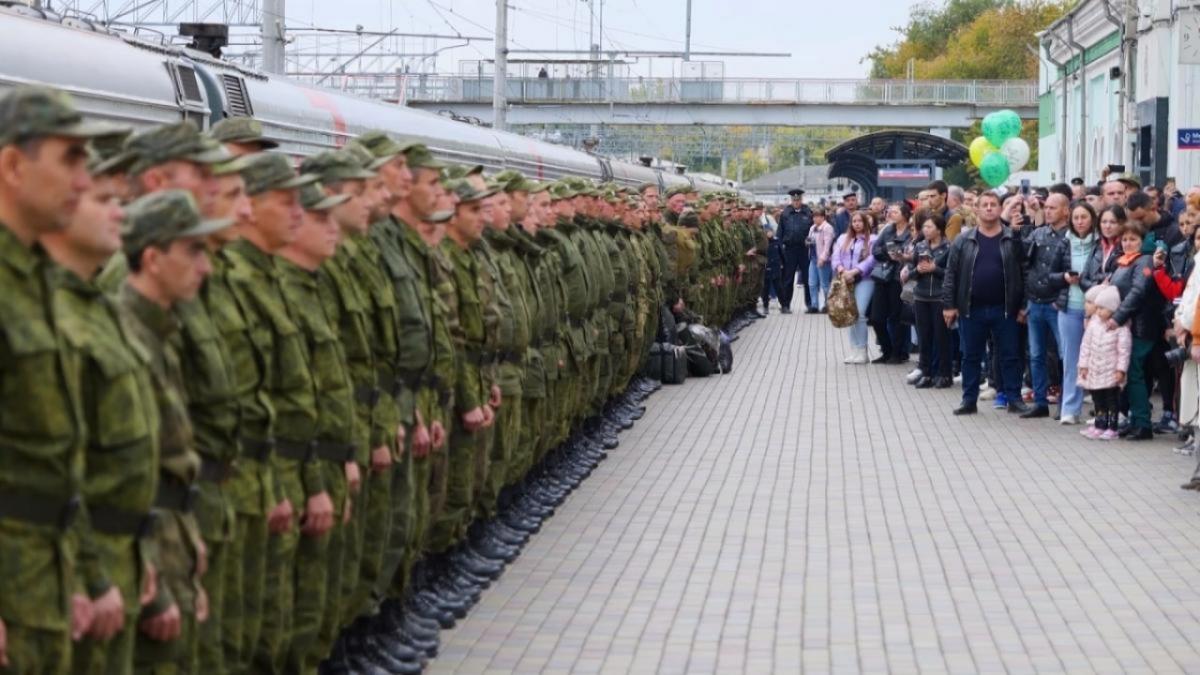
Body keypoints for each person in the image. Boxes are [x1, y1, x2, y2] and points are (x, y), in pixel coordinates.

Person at [0, 85, 118, 674]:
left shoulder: (37, 278)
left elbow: (51, 458)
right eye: (70, 159)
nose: (83, 179)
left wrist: (78, 573)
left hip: (42, 575)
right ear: (13, 167)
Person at [119, 190, 233, 673]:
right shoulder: (128, 335)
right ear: (152, 258)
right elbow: (123, 475)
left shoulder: (158, 333)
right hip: (147, 548)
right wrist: (153, 573)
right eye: (192, 252)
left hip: (173, 536)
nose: (204, 267)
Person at [942, 191, 1029, 415]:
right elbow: (951, 274)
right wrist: (949, 305)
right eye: (985, 205)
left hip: (1005, 309)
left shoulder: (1012, 238)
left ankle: (1014, 398)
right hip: (971, 309)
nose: (989, 208)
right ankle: (968, 400)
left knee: (1010, 356)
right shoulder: (963, 240)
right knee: (970, 356)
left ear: (1000, 209)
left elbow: (1025, 272)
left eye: (993, 204)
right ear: (977, 209)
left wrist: (1023, 305)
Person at [1106, 219, 1162, 441]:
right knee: (1130, 374)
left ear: (1142, 241)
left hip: (1141, 326)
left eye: (1133, 239)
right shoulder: (1123, 261)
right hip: (1128, 326)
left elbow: (1138, 292)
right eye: (1125, 239)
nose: (1128, 243)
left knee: (1134, 372)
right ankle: (1135, 420)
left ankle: (1143, 424)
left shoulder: (1144, 261)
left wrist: (1117, 317)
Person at [1021, 193, 1071, 418]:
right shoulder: (1038, 232)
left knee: (1064, 355)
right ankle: (1040, 402)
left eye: (1053, 207)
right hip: (1035, 301)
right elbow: (1023, 258)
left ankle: (1064, 402)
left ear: (1065, 210)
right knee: (1036, 355)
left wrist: (1061, 299)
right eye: (1046, 207)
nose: (1048, 211)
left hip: (1057, 304)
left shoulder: (1071, 236)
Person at [1050, 201, 1098, 425]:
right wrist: (1064, 278)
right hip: (1069, 308)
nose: (1080, 222)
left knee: (1097, 359)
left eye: (1084, 217)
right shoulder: (1064, 242)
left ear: (1092, 219)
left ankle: (1101, 408)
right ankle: (1070, 408)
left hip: (1095, 309)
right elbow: (1051, 275)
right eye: (1076, 217)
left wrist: (1085, 282)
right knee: (1071, 360)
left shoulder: (1099, 243)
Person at [903, 212, 952, 388]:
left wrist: (934, 269)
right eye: (924, 226)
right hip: (921, 296)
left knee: (941, 337)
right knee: (924, 336)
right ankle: (926, 372)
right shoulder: (920, 246)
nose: (925, 230)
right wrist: (917, 270)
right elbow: (911, 272)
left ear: (939, 229)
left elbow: (951, 274)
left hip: (939, 297)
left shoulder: (949, 247)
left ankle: (944, 373)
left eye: (930, 226)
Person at [1078, 285, 1131, 440]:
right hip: (1095, 370)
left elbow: (1124, 351)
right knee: (1098, 399)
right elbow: (1085, 345)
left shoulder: (1121, 328)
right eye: (1097, 307)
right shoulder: (1093, 324)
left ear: (1113, 309)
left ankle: (1112, 427)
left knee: (1111, 400)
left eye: (1102, 308)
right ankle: (1099, 424)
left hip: (1111, 372)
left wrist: (1121, 370)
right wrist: (1083, 365)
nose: (1098, 311)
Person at [868, 201, 914, 364]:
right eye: (890, 211)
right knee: (876, 317)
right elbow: (875, 250)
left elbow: (913, 252)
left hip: (899, 278)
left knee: (897, 317)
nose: (890, 214)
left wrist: (901, 256)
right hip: (883, 275)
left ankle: (898, 352)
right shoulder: (887, 229)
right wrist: (889, 254)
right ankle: (886, 349)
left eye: (895, 212)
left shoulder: (911, 231)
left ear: (905, 215)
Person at [832, 211, 876, 364]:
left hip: (865, 279)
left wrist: (855, 271)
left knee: (860, 313)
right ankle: (854, 349)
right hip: (845, 279)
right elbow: (835, 256)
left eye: (860, 221)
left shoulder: (873, 239)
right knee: (850, 314)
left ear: (866, 222)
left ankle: (863, 351)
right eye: (854, 221)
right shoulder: (842, 238)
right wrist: (842, 271)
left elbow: (871, 260)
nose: (857, 224)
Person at [775, 188, 813, 314]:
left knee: (808, 278)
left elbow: (813, 230)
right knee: (788, 278)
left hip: (804, 250)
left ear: (801, 199)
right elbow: (780, 233)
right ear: (791, 200)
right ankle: (785, 305)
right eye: (794, 200)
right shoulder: (785, 214)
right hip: (790, 250)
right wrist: (780, 249)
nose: (796, 202)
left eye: (798, 200)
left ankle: (810, 304)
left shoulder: (808, 212)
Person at [805, 207, 834, 312]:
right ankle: (814, 305)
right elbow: (809, 239)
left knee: (824, 284)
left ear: (823, 217)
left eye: (818, 216)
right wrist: (807, 242)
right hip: (813, 258)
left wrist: (822, 258)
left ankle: (827, 305)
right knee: (812, 283)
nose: (815, 219)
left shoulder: (827, 228)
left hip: (823, 260)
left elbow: (827, 245)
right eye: (814, 217)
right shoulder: (812, 228)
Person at [761, 224, 782, 314]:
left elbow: (782, 254)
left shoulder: (777, 241)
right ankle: (765, 306)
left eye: (770, 231)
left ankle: (784, 305)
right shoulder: (762, 243)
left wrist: (783, 265)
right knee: (765, 289)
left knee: (779, 287)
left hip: (776, 267)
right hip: (766, 268)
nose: (769, 233)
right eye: (767, 231)